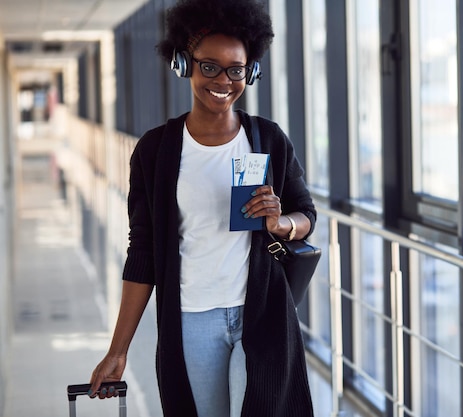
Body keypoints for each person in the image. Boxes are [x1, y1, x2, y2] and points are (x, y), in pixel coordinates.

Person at [87, 0, 317, 416]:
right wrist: (117, 351)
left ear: (252, 71)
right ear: (182, 64)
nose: (223, 80)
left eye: (236, 69)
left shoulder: (269, 139)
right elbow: (143, 254)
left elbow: (307, 216)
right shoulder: (155, 151)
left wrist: (280, 222)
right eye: (209, 66)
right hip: (192, 319)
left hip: (261, 314)